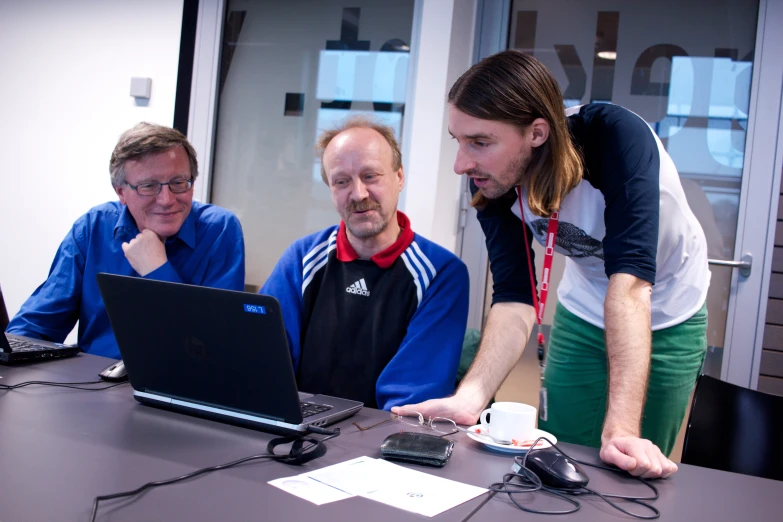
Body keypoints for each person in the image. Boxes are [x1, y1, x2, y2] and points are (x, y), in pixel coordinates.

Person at [393, 50, 710, 479]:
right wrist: (470, 398)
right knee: (562, 458)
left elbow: (632, 286)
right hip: (584, 305)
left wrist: (620, 430)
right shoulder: (494, 180)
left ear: (537, 132)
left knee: (631, 459)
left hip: (668, 307)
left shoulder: (614, 139)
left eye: (480, 142)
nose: (461, 163)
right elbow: (513, 299)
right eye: (459, 140)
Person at [261, 117, 469, 410]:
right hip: (301, 431)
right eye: (342, 181)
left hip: (380, 440)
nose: (358, 194)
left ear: (399, 178)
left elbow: (410, 402)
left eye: (371, 176)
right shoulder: (302, 258)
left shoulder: (441, 274)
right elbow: (264, 359)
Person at [6, 122, 245, 358]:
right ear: (120, 191)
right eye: (148, 186)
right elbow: (36, 325)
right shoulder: (93, 227)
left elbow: (211, 346)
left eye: (178, 183)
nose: (166, 199)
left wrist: (157, 271)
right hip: (92, 383)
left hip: (177, 389)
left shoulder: (219, 230)